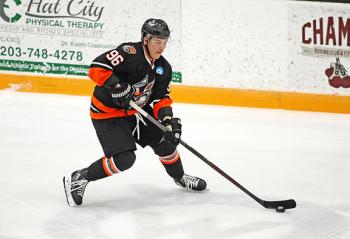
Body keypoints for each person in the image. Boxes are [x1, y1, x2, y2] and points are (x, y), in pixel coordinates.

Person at [63, 18, 207, 207]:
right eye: (157, 42)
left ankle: (179, 177)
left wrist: (167, 120)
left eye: (164, 42)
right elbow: (97, 67)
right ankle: (79, 178)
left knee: (166, 142)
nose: (161, 47)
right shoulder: (129, 53)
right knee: (125, 159)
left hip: (136, 111)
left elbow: (160, 98)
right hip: (108, 113)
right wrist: (116, 85)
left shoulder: (164, 68)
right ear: (145, 40)